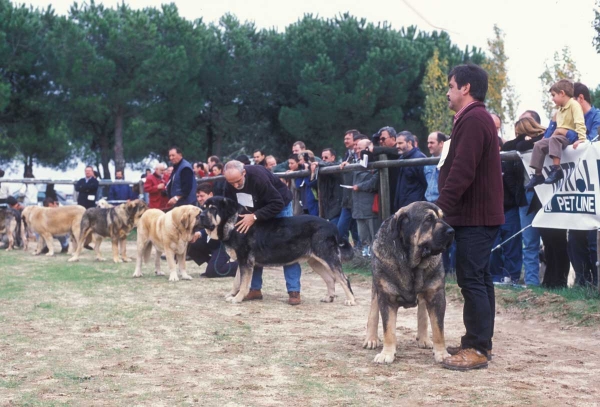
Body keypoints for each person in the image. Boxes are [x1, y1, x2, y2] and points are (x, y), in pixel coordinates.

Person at [436, 64, 504, 371]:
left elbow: (463, 170)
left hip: (476, 216)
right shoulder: (471, 118)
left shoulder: (475, 118)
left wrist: (438, 209)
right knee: (479, 278)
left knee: (472, 279)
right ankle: (478, 341)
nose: (448, 92)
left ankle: (477, 348)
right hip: (474, 215)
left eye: (451, 86)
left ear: (465, 88)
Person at [223, 160, 302, 305]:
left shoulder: (259, 177)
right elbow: (231, 204)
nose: (235, 186)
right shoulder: (229, 183)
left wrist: (254, 217)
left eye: (238, 181)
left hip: (279, 207)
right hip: (253, 212)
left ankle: (294, 290)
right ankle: (254, 289)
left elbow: (277, 203)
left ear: (244, 173)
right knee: (252, 247)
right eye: (231, 183)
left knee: (288, 246)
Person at [525, 79, 586, 189]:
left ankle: (556, 169)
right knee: (539, 144)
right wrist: (545, 139)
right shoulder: (560, 110)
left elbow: (579, 122)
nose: (552, 99)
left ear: (562, 93)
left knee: (554, 139)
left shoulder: (574, 105)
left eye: (553, 95)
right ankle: (538, 175)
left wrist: (581, 138)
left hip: (570, 137)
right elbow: (553, 130)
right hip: (558, 138)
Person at [567, 82, 600, 287]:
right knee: (574, 238)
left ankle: (595, 282)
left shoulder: (596, 116)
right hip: (576, 187)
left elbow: (591, 140)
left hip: (595, 185)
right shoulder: (568, 118)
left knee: (591, 238)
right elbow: (554, 137)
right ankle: (581, 281)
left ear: (580, 99)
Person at [188, 183, 238, 278]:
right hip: (211, 240)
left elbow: (221, 227)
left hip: (223, 242)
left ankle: (242, 266)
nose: (199, 199)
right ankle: (213, 263)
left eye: (202, 196)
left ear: (210, 194)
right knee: (189, 242)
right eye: (197, 196)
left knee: (213, 272)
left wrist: (200, 233)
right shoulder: (203, 208)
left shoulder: (220, 207)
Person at [341, 138, 379, 257]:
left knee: (375, 236)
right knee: (363, 237)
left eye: (360, 148)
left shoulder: (376, 162)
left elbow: (375, 180)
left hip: (371, 207)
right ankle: (365, 259)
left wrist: (360, 186)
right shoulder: (355, 163)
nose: (357, 150)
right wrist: (347, 168)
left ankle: (376, 259)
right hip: (357, 208)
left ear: (368, 148)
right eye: (356, 148)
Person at [393, 131, 427, 212]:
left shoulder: (419, 158)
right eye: (396, 143)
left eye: (400, 143)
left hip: (415, 206)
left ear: (409, 143)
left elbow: (425, 183)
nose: (397, 146)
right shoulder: (401, 159)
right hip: (403, 205)